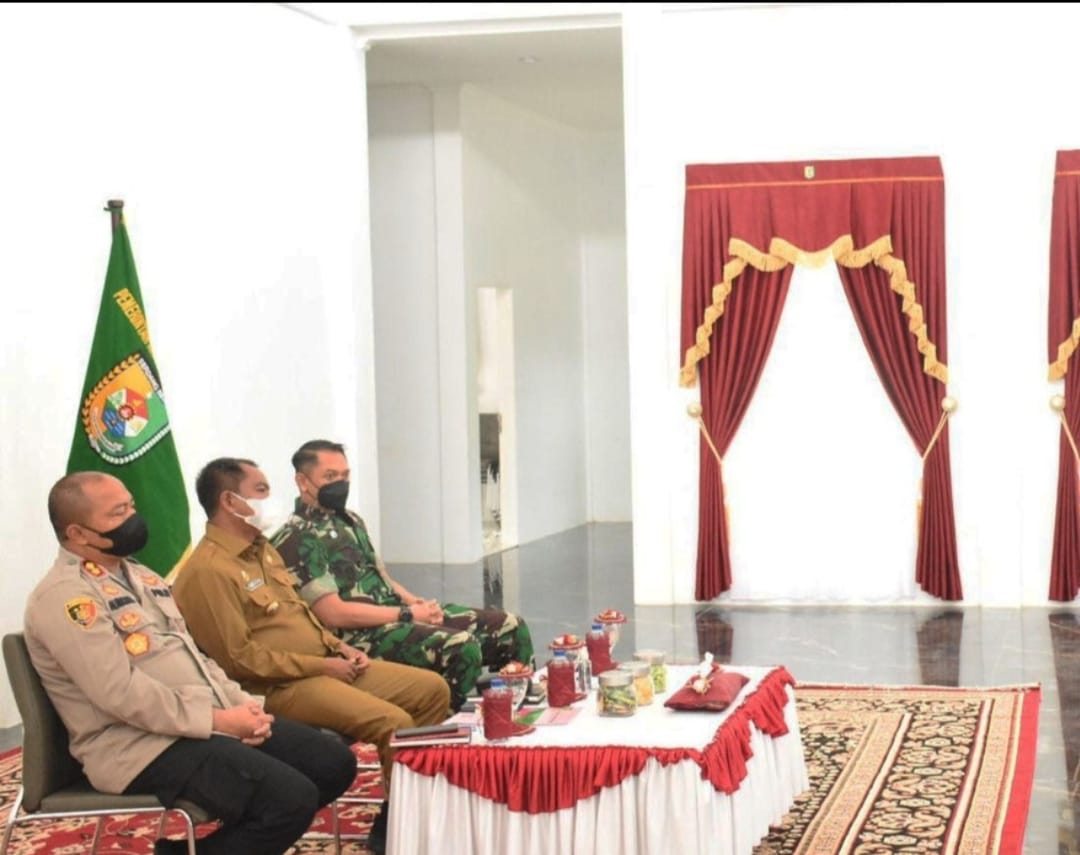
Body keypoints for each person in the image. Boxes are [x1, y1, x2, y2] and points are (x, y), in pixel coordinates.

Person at [24, 472, 358, 855]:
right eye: (118, 513)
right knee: (288, 800)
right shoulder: (65, 598)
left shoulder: (141, 576)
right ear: (78, 534)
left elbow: (194, 657)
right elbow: (118, 693)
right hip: (136, 746)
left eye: (131, 505)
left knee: (331, 763)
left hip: (199, 723)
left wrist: (242, 706)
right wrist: (219, 721)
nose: (133, 517)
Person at [172, 457, 451, 852]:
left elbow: (298, 615)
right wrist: (323, 664)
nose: (270, 499)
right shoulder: (208, 571)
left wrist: (340, 648)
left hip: (325, 665)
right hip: (277, 687)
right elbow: (238, 661)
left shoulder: (261, 550)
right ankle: (401, 832)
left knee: (432, 690)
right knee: (394, 722)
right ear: (230, 502)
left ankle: (404, 807)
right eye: (260, 491)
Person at [270, 440, 535, 711]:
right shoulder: (296, 538)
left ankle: (520, 713)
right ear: (303, 482)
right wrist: (407, 615)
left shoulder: (349, 520)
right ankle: (446, 722)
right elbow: (333, 614)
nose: (340, 483)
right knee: (461, 647)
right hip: (357, 637)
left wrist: (417, 604)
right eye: (330, 476)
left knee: (510, 626)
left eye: (345, 475)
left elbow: (381, 577)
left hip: (395, 615)